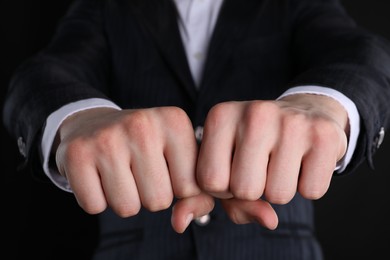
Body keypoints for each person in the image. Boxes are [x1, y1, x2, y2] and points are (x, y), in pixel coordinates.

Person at [3, 0, 390, 259]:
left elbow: (359, 53)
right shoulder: (106, 7)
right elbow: (43, 74)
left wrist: (323, 104)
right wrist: (76, 117)